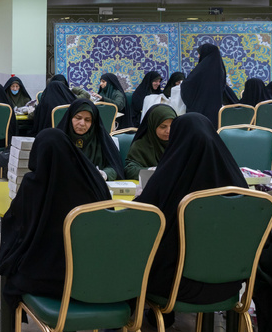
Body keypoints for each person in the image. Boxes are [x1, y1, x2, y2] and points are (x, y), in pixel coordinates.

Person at [0, 128, 112, 332]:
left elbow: (16, 225)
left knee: (12, 269)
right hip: (91, 275)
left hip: (49, 278)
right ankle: (69, 325)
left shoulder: (35, 185)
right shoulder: (93, 179)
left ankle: (7, 324)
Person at [136, 113, 248, 313]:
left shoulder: (170, 177)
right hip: (229, 286)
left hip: (178, 286)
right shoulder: (239, 186)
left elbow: (141, 214)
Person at [57, 99, 124, 181]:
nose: (82, 123)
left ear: (93, 122)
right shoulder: (59, 139)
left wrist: (104, 174)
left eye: (87, 120)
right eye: (78, 118)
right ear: (70, 118)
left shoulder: (101, 139)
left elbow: (115, 167)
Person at [181, 44, 236, 128]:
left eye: (200, 53)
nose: (199, 56)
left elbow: (187, 85)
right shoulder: (220, 69)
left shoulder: (201, 69)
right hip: (215, 109)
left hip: (200, 109)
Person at [123, 104, 176, 180]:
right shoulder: (141, 145)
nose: (168, 131)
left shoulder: (179, 144)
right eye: (163, 127)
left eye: (173, 126)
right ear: (152, 125)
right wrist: (151, 171)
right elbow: (130, 171)